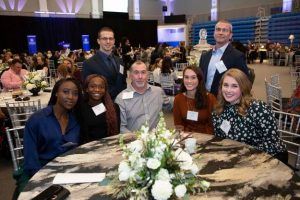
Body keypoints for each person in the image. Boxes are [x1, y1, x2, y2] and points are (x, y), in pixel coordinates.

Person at [212, 69, 287, 163]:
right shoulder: (218, 110)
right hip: (237, 157)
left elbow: (271, 143)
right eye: (225, 85)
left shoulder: (258, 108)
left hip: (269, 157)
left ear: (243, 88)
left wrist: (245, 158)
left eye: (234, 86)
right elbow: (221, 140)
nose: (228, 90)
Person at [23, 78, 82, 178]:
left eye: (75, 94)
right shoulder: (37, 120)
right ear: (56, 93)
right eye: (65, 92)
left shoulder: (76, 120)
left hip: (70, 172)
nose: (71, 97)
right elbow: (31, 160)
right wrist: (40, 179)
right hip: (42, 173)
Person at [115, 60, 172, 133]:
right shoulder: (121, 99)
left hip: (156, 140)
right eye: (136, 73)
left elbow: (170, 106)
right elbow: (121, 128)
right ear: (130, 76)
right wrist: (139, 140)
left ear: (147, 75)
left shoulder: (158, 92)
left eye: (143, 72)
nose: (140, 77)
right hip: (133, 142)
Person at [199, 19, 249, 96]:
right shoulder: (205, 56)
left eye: (224, 30)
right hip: (204, 99)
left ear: (230, 35)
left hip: (224, 102)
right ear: (214, 33)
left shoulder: (237, 56)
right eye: (218, 29)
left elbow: (245, 82)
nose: (220, 33)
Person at [83, 27, 127, 100]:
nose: (108, 41)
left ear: (114, 41)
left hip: (122, 103)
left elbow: (123, 81)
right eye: (104, 39)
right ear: (98, 41)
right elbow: (88, 89)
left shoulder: (120, 61)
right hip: (102, 104)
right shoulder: (89, 63)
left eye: (111, 38)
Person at [173, 66, 217, 134]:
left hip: (206, 138)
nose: (189, 81)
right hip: (186, 138)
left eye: (193, 77)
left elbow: (213, 125)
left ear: (199, 79)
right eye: (186, 77)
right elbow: (178, 125)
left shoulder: (210, 99)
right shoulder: (178, 99)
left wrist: (203, 139)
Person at [79, 74, 119, 143]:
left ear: (105, 90)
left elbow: (117, 132)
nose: (97, 90)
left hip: (109, 148)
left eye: (101, 87)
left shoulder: (113, 107)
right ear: (86, 89)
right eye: (92, 86)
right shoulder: (80, 108)